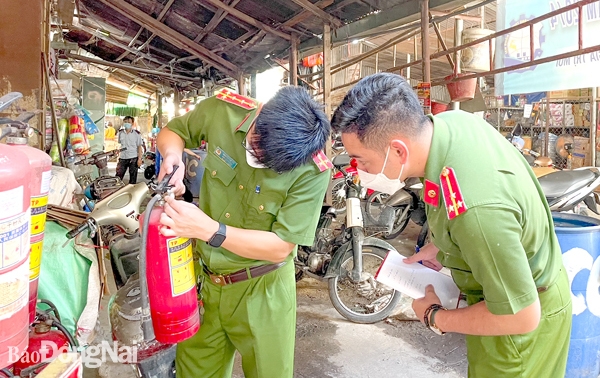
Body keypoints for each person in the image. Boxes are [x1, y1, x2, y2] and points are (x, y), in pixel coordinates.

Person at [331, 73, 572, 377]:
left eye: (360, 161)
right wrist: (443, 246)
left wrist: (435, 317)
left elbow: (521, 316)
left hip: (518, 329)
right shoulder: (451, 125)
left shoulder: (476, 211)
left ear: (398, 150)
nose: (359, 171)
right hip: (513, 287)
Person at [156, 87, 331, 378]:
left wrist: (210, 230)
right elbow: (173, 131)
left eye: (270, 161)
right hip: (204, 283)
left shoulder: (313, 169)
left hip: (264, 291)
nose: (258, 158)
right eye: (256, 146)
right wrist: (173, 157)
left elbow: (280, 247)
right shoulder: (223, 111)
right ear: (259, 113)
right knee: (194, 371)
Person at [116, 116, 143, 184]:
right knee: (118, 178)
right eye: (125, 122)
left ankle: (131, 193)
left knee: (133, 179)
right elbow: (120, 145)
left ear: (132, 123)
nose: (127, 123)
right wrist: (117, 156)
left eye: (129, 122)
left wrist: (139, 159)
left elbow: (139, 147)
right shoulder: (120, 133)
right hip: (123, 157)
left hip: (133, 158)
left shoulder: (136, 134)